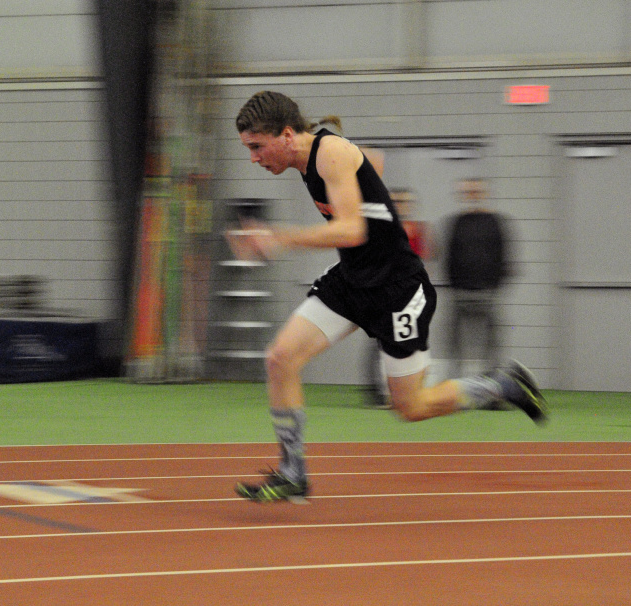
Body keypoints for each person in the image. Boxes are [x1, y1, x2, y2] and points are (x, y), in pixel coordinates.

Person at [226, 91, 546, 503]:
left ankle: (502, 385)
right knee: (280, 358)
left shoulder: (330, 153)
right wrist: (367, 177)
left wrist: (277, 237)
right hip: (353, 280)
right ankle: (293, 473)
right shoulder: (318, 156)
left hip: (398, 288)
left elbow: (351, 231)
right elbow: (369, 164)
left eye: (256, 146)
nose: (253, 158)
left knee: (410, 408)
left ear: (287, 135)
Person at [363, 188, 432, 409]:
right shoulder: (379, 228)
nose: (402, 205)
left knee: (408, 343)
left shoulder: (417, 230)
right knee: (377, 346)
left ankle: (408, 391)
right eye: (397, 201)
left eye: (405, 202)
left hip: (408, 296)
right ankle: (378, 392)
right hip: (381, 294)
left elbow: (421, 262)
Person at [445, 177, 511, 380]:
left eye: (476, 192)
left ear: (484, 194)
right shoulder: (456, 222)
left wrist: (496, 284)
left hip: (488, 290)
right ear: (463, 195)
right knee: (455, 338)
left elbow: (504, 254)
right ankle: (457, 381)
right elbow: (450, 255)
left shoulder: (496, 222)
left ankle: (492, 382)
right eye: (468, 192)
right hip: (461, 290)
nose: (472, 195)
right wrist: (453, 285)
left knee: (492, 340)